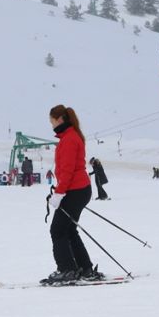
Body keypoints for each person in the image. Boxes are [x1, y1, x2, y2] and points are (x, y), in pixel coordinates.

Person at [42, 105, 101, 284]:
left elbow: (67, 171)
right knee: (69, 230)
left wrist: (59, 194)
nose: (51, 125)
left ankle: (67, 269)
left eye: (52, 121)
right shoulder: (71, 136)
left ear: (59, 119)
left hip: (74, 190)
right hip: (79, 189)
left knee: (58, 230)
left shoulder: (69, 139)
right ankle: (84, 268)